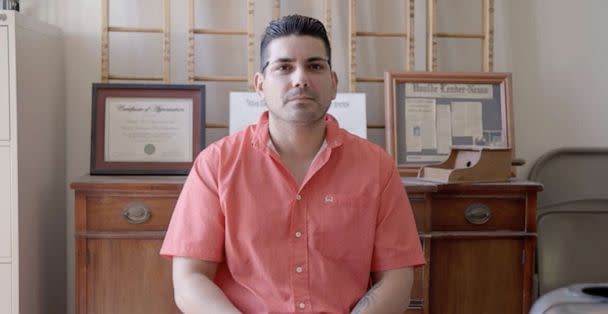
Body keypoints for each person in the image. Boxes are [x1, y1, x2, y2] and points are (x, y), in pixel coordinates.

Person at [160, 14, 425, 313]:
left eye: (314, 66)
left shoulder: (377, 167)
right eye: (284, 67)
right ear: (259, 85)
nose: (300, 78)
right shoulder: (216, 165)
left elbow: (398, 278)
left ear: (333, 82)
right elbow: (189, 278)